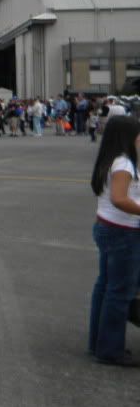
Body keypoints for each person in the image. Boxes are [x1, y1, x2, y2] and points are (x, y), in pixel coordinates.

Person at [88, 116, 140, 366]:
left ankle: (98, 342)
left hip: (106, 227)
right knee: (119, 291)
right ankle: (110, 349)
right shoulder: (125, 164)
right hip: (123, 232)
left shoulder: (109, 158)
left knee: (105, 287)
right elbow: (120, 199)